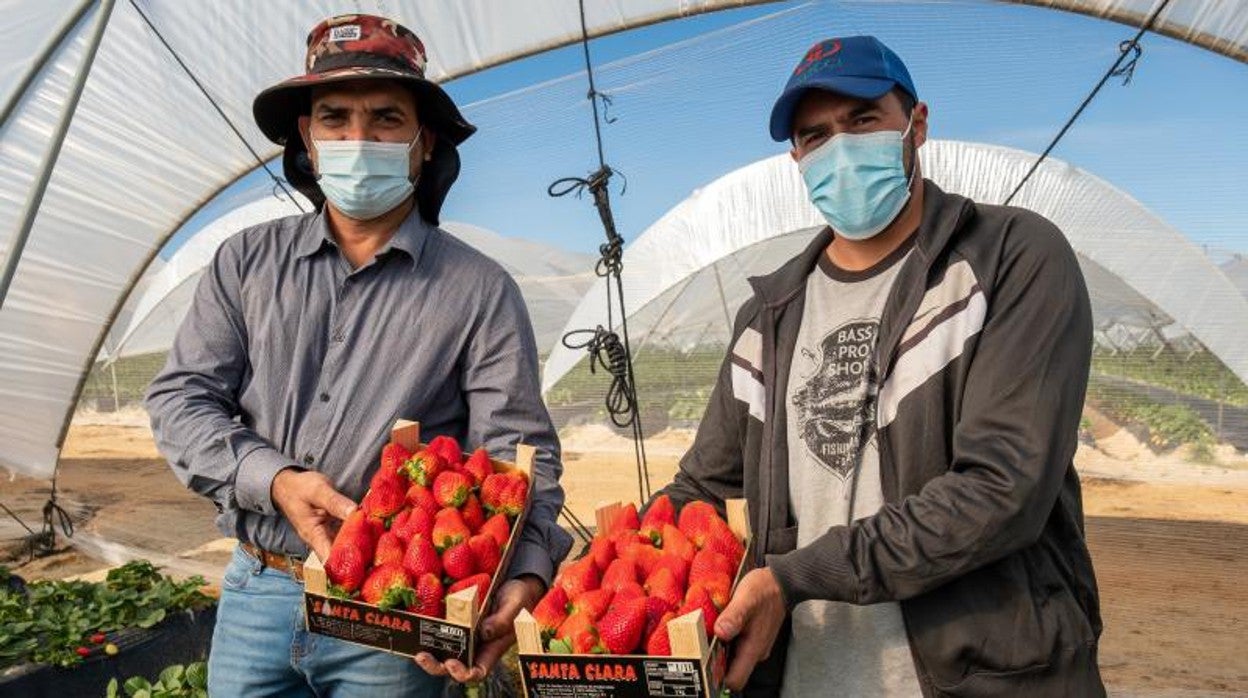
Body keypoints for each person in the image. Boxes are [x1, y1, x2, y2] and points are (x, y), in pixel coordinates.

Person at [657, 35, 1103, 696]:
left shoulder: (1008, 259)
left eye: (862, 120)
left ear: (916, 126)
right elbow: (698, 488)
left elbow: (1003, 488)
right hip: (806, 675)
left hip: (981, 675)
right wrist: (563, 582)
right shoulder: (770, 317)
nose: (839, 147)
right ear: (797, 159)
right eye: (816, 136)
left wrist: (793, 577)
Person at [145, 14, 572, 696]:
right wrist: (276, 480)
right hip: (259, 583)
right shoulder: (246, 265)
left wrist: (520, 572)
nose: (357, 138)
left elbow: (515, 452)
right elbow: (181, 398)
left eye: (385, 118)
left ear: (424, 142)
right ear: (307, 142)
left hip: (391, 613)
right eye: (334, 118)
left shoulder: (477, 289)